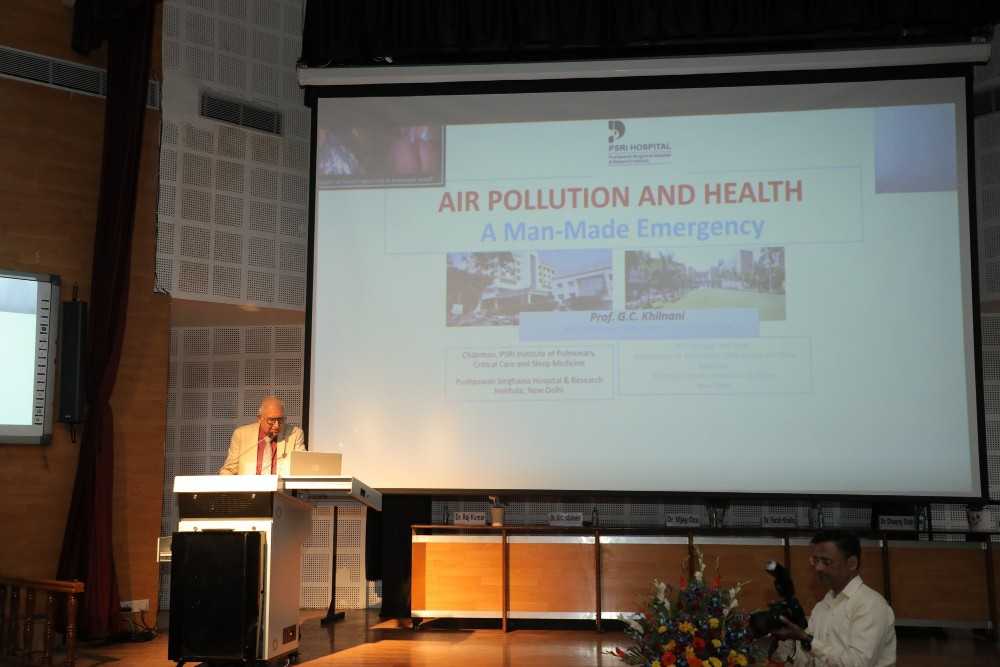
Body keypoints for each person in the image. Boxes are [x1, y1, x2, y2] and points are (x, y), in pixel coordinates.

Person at [771, 530, 896, 666]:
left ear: (852, 563)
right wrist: (787, 640)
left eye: (826, 561)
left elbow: (859, 663)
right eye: (815, 560)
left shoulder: (871, 605)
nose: (818, 568)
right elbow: (808, 660)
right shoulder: (822, 606)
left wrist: (807, 639)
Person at [219, 396, 305, 475]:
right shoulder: (241, 434)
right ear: (260, 418)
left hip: (280, 487)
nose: (276, 425)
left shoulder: (295, 434)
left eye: (280, 420)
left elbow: (302, 469)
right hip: (248, 486)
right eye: (271, 420)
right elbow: (228, 470)